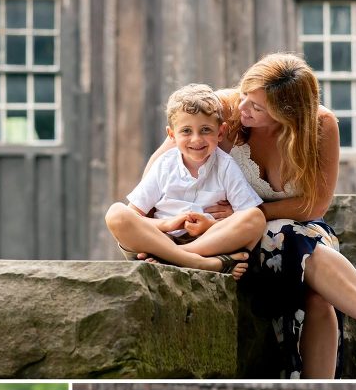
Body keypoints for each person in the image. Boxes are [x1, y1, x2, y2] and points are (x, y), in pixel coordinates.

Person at [139, 53, 356, 378]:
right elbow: (158, 173)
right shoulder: (222, 110)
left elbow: (313, 206)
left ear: (289, 113)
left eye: (257, 107)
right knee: (292, 243)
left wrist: (249, 212)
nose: (244, 109)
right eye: (245, 96)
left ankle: (324, 386)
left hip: (297, 229)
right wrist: (172, 228)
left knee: (310, 279)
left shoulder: (320, 126)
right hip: (230, 240)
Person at [105, 84, 265, 278]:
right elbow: (135, 216)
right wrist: (167, 225)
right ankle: (197, 263)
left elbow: (245, 214)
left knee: (256, 218)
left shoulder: (225, 166)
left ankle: (174, 260)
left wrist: (210, 226)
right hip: (161, 240)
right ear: (172, 135)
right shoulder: (165, 164)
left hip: (209, 242)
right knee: (116, 214)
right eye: (186, 131)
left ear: (220, 132)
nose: (196, 139)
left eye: (206, 130)